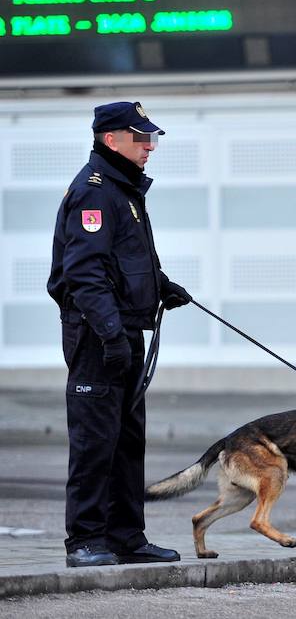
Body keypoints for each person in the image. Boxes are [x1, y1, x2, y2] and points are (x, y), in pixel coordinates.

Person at [47, 101, 192, 568]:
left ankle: (126, 536)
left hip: (123, 330)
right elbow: (84, 273)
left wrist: (159, 285)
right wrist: (110, 333)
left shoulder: (123, 189)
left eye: (151, 138)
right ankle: (85, 540)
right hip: (97, 336)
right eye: (140, 137)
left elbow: (122, 258)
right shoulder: (95, 192)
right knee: (95, 439)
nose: (149, 146)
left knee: (128, 439)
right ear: (111, 140)